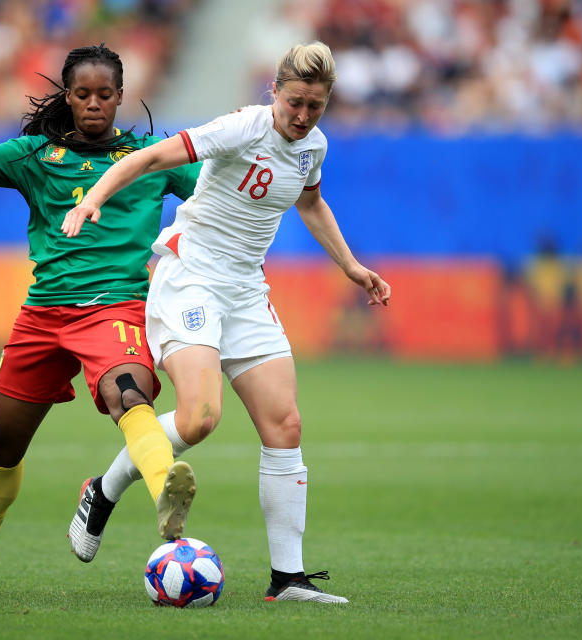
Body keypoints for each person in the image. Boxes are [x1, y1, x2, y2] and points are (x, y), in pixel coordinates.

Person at [62, 42, 391, 604]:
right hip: (190, 276)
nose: (303, 116)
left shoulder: (313, 146)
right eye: (294, 103)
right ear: (275, 92)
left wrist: (353, 267)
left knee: (285, 425)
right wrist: (90, 198)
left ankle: (287, 578)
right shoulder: (242, 128)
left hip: (245, 291)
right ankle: (104, 490)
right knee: (199, 418)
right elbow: (148, 158)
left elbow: (310, 203)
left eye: (315, 106)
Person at [0, 44, 201, 595]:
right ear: (67, 98)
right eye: (82, 94)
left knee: (131, 394)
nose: (94, 104)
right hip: (43, 316)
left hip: (115, 308)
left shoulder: (153, 158)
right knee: (4, 445)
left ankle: (165, 494)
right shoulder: (35, 156)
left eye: (105, 94)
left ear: (122, 97)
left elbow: (215, 199)